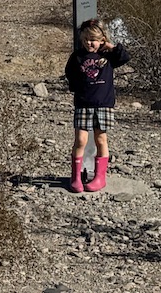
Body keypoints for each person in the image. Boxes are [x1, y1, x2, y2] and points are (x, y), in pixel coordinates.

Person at [63, 17, 130, 193]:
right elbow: (70, 73)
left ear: (102, 40)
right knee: (80, 140)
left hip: (103, 104)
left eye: (92, 40)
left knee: (101, 139)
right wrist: (77, 88)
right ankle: (76, 176)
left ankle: (100, 177)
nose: (88, 43)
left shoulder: (108, 56)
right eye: (85, 40)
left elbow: (124, 57)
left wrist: (110, 47)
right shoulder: (77, 57)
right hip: (83, 104)